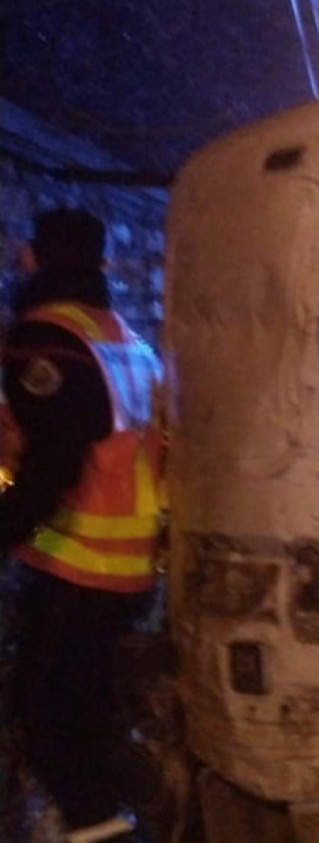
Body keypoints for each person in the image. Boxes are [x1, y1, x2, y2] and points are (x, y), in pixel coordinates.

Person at [1, 208, 165, 842]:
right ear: (100, 264)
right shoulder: (121, 334)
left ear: (34, 258)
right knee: (89, 714)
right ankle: (124, 813)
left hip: (75, 565)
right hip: (126, 567)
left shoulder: (45, 338)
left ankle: (105, 830)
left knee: (48, 721)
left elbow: (54, 459)